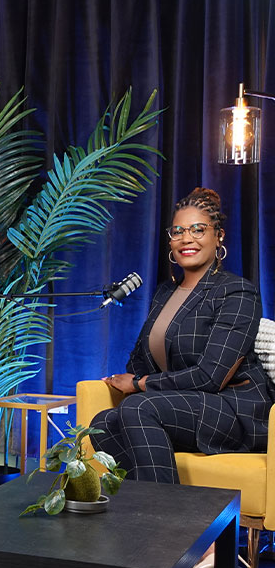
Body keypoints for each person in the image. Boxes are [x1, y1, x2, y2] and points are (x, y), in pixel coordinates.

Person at [92, 187, 275, 484]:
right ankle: (151, 511)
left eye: (198, 230)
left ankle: (166, 523)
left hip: (235, 410)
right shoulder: (165, 292)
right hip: (184, 406)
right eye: (178, 231)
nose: (186, 239)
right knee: (103, 423)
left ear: (219, 237)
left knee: (139, 406)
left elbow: (211, 376)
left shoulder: (237, 292)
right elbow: (139, 358)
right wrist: (124, 379)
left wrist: (139, 384)